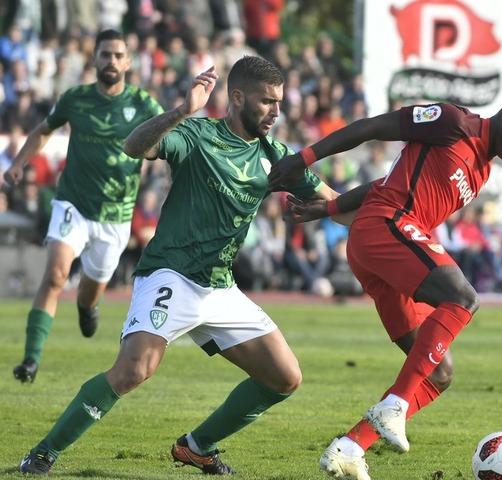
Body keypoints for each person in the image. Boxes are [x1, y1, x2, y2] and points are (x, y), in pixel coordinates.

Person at [17, 56, 336, 475]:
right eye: (267, 101)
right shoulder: (197, 134)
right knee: (134, 370)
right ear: (237, 98)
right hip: (171, 273)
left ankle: (197, 447)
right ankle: (43, 452)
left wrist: (388, 206)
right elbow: (133, 146)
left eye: (279, 102)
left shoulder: (275, 156)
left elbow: (333, 200)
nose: (276, 111)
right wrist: (182, 111)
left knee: (285, 377)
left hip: (219, 286)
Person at [270, 93, 502, 479]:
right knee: (463, 298)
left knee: (438, 373)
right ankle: (395, 405)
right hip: (384, 228)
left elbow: (386, 182)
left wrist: (331, 208)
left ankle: (351, 447)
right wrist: (304, 158)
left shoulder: (481, 172)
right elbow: (372, 127)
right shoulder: (454, 122)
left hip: (389, 248)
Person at [4, 30, 164, 383]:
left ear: (128, 61)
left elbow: (171, 137)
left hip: (116, 215)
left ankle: (87, 306)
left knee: (90, 293)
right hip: (72, 204)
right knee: (56, 275)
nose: (111, 61)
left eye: (117, 55)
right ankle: (30, 361)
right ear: (94, 59)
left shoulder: (144, 105)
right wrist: (18, 163)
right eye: (105, 54)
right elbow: (44, 130)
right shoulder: (74, 99)